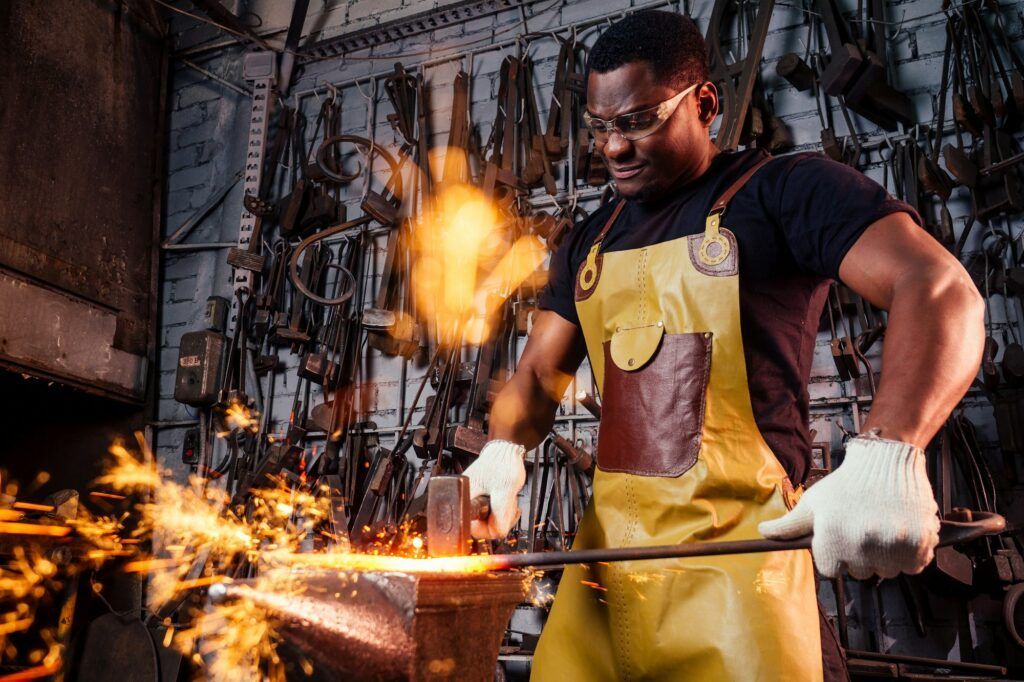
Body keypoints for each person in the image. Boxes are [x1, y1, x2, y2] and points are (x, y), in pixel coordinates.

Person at [463, 10, 984, 681]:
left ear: (704, 103)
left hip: (743, 581)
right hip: (606, 580)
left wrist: (889, 452)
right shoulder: (589, 242)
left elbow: (938, 288)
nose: (615, 147)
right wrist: (502, 450)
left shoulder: (784, 193)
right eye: (601, 127)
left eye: (639, 120)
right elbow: (536, 376)